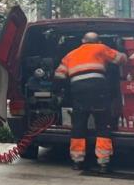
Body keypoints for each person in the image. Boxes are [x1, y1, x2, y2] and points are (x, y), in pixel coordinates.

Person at [54, 32, 127, 172]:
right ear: (98, 41)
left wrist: (59, 93)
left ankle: (77, 161)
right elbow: (121, 59)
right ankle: (103, 163)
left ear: (82, 41)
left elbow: (59, 75)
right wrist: (123, 50)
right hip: (98, 91)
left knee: (79, 126)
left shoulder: (70, 55)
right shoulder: (101, 48)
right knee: (102, 125)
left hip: (79, 93)